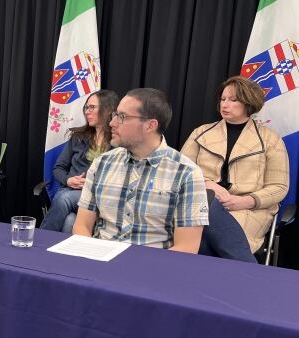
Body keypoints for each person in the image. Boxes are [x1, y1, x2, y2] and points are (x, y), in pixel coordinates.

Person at [73, 88, 209, 253]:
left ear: (150, 125)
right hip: (98, 261)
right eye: (115, 115)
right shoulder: (102, 163)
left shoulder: (186, 173)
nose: (112, 123)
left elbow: (187, 248)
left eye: (122, 117)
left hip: (151, 269)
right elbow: (81, 226)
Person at [181, 76, 289, 262]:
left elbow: (279, 187)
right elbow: (180, 172)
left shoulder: (271, 140)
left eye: (233, 100)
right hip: (201, 202)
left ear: (249, 103)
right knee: (208, 204)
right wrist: (209, 186)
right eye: (223, 99)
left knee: (202, 238)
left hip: (249, 209)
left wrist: (244, 201)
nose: (225, 105)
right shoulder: (201, 133)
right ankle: (250, 273)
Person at [40, 90, 119, 232]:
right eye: (86, 108)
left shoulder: (117, 143)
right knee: (70, 220)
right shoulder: (78, 137)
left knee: (64, 198)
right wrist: (68, 180)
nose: (87, 112)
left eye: (92, 107)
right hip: (72, 191)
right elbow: (58, 168)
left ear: (107, 109)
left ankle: (41, 240)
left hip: (98, 197)